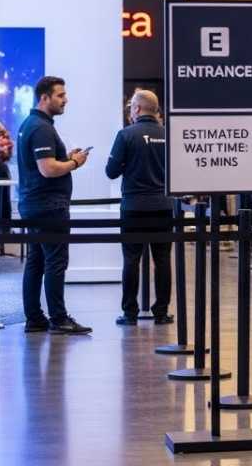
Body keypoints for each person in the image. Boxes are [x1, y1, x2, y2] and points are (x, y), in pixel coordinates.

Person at [18, 76, 91, 334]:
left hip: (34, 204)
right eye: (60, 95)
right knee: (55, 262)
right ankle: (59, 319)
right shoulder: (41, 128)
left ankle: (35, 318)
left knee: (36, 262)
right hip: (48, 206)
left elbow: (46, 164)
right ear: (44, 97)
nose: (65, 99)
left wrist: (66, 158)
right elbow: (48, 169)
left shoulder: (32, 125)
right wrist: (75, 163)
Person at [104, 89, 174, 326]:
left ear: (136, 109)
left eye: (130, 106)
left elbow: (111, 171)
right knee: (163, 259)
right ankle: (162, 312)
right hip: (163, 206)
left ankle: (130, 313)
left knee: (131, 260)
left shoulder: (126, 135)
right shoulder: (168, 135)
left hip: (134, 206)